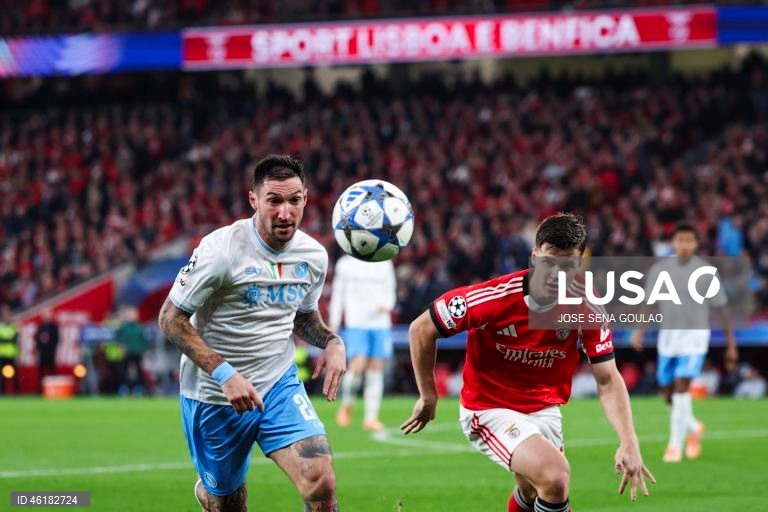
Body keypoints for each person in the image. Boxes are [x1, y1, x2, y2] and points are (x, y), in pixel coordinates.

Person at [401, 213, 655, 512]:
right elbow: (421, 329)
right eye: (550, 261)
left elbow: (607, 378)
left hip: (545, 409)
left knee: (533, 490)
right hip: (489, 407)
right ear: (535, 257)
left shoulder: (587, 303)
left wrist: (629, 441)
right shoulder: (493, 298)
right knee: (555, 476)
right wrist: (428, 396)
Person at [158, 155, 346, 512]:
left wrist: (333, 341)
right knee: (228, 504)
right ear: (254, 200)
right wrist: (225, 373)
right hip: (215, 395)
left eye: (294, 200)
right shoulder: (222, 250)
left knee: (321, 481)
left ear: (306, 199)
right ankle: (212, 493)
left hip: (278, 383)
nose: (285, 213)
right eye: (274, 200)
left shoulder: (314, 256)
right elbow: (170, 319)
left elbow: (303, 317)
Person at [630, 223, 738, 463]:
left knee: (681, 387)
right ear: (673, 243)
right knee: (667, 393)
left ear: (696, 244)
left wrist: (731, 345)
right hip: (668, 339)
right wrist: (639, 331)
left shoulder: (706, 272)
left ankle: (674, 446)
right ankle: (693, 426)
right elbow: (648, 302)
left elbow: (722, 309)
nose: (685, 245)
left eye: (690, 241)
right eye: (681, 241)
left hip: (695, 338)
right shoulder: (661, 270)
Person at [329, 255, 396, 431]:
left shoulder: (384, 261)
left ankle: (371, 418)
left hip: (380, 323)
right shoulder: (345, 264)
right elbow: (338, 293)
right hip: (357, 322)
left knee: (376, 369)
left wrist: (388, 304)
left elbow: (390, 289)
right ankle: (347, 404)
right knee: (357, 367)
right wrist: (334, 321)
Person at [115, 306, 151, 396]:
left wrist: (146, 350)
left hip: (137, 352)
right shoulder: (124, 327)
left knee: (138, 370)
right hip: (127, 353)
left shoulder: (139, 327)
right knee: (124, 371)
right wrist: (121, 346)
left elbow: (144, 340)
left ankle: (138, 388)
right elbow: (116, 337)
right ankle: (125, 387)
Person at [35, 308, 60, 392]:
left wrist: (52, 347)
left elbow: (57, 339)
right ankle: (40, 389)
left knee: (52, 370)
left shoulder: (54, 327)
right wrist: (39, 348)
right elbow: (37, 338)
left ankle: (54, 389)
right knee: (41, 371)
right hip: (43, 352)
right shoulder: (41, 326)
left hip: (50, 352)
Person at [0, 304, 19, 394]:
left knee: (13, 374)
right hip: (2, 354)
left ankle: (16, 391)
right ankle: (3, 391)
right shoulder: (3, 327)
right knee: (3, 374)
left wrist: (5, 339)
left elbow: (14, 339)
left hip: (11, 354)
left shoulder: (13, 326)